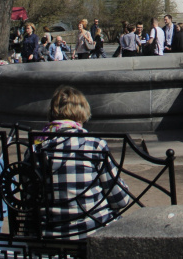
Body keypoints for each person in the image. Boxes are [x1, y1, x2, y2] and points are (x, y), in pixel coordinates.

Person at [32, 86, 133, 238]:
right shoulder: (93, 146)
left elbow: (29, 200)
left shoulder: (35, 149)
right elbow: (121, 199)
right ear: (82, 113)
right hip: (91, 232)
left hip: (46, 235)